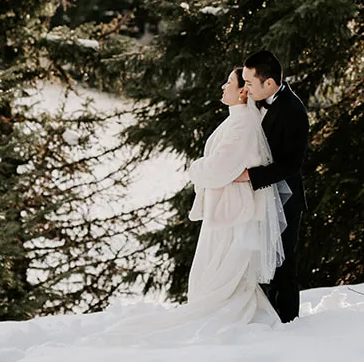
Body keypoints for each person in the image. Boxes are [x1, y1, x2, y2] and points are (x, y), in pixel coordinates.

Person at [102, 67, 286, 341]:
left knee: (220, 274)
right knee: (214, 271)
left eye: (229, 83)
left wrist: (195, 168)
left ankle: (226, 318)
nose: (223, 87)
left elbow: (218, 168)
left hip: (231, 214)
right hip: (225, 210)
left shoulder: (242, 124)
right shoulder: (237, 119)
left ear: (243, 92)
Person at [233, 49, 308, 322]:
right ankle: (264, 318)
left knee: (283, 263)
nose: (246, 88)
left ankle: (288, 322)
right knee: (260, 260)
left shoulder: (293, 111)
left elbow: (292, 164)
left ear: (270, 84)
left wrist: (251, 177)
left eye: (250, 83)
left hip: (285, 200)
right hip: (259, 199)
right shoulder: (254, 102)